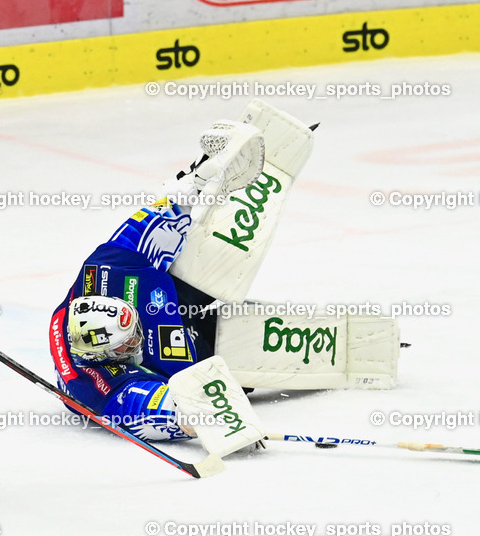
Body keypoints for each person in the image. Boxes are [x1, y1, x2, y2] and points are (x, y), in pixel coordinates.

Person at [49, 102, 401, 452]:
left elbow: (144, 228)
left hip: (168, 298)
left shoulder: (107, 270)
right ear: (105, 358)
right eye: (128, 344)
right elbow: (148, 409)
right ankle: (341, 351)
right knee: (233, 360)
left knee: (215, 261)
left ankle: (272, 168)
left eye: (131, 330)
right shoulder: (93, 385)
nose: (135, 338)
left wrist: (192, 185)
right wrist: (202, 416)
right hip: (177, 363)